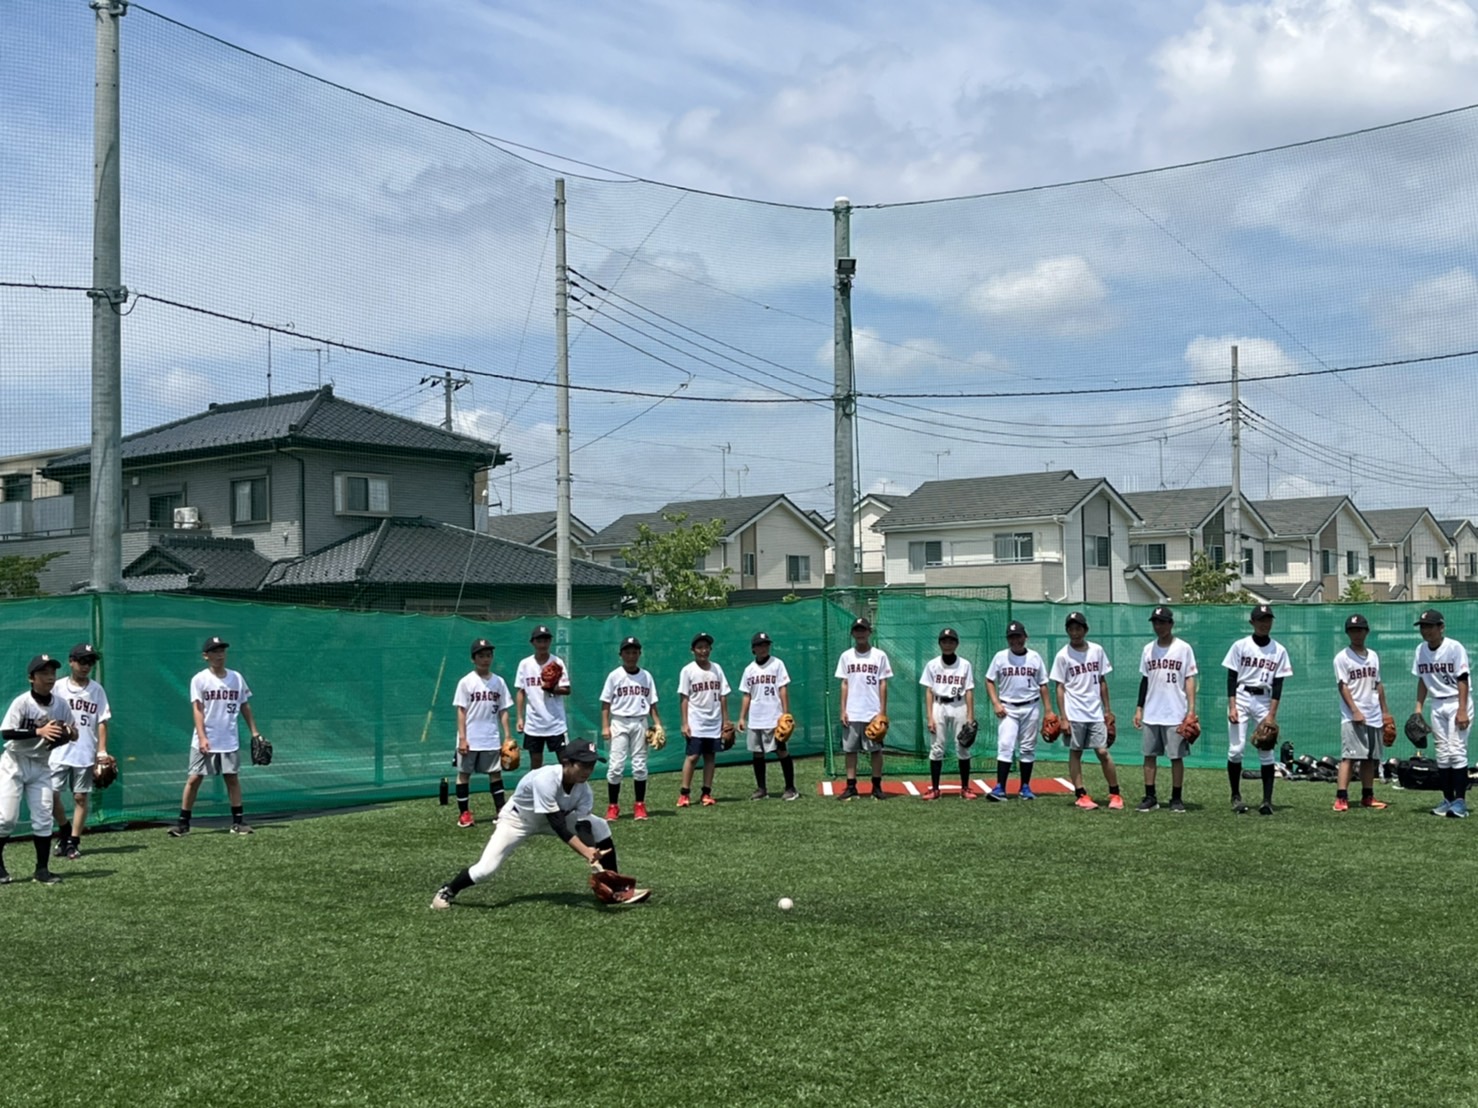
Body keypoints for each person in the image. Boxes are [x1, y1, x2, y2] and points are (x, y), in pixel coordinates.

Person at [431, 741, 646, 909]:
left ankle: (615, 887)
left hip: (553, 818)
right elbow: (559, 826)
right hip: (518, 821)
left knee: (600, 826)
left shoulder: (584, 790)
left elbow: (582, 826)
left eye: (591, 764)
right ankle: (448, 890)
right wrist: (586, 852)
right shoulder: (546, 779)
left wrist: (593, 850)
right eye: (583, 764)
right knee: (485, 870)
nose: (587, 770)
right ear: (567, 762)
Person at [169, 636, 264, 837]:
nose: (219, 655)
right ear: (206, 656)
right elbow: (197, 709)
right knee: (194, 778)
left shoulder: (236, 678)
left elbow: (245, 705)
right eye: (214, 651)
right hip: (205, 738)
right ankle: (183, 823)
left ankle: (238, 822)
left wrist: (254, 732)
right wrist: (202, 737)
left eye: (222, 651)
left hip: (229, 738)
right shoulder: (200, 679)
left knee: (232, 778)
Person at [0, 654, 76, 884]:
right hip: (14, 762)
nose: (50, 677)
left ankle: (42, 870)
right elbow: (6, 733)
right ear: (31, 678)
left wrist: (70, 733)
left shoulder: (60, 704)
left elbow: (74, 730)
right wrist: (38, 732)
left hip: (42, 765)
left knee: (43, 817)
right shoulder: (22, 702)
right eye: (43, 673)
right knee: (6, 819)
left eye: (52, 672)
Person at [1222, 604, 1292, 816]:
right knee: (1236, 750)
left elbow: (1278, 685)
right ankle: (1236, 796)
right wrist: (1232, 706)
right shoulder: (1240, 646)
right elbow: (1232, 677)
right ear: (1252, 622)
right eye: (1260, 619)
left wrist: (1271, 715)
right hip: (1241, 697)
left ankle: (1267, 801)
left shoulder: (1279, 650)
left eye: (1268, 619)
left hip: (1264, 699)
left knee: (1266, 751)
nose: (1264, 623)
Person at [1051, 612, 1122, 810]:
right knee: (1076, 752)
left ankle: (1115, 793)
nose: (1075, 632)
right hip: (1074, 713)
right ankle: (1081, 794)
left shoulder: (1097, 650)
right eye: (1071, 629)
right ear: (1067, 631)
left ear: (1085, 630)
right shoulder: (1063, 655)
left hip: (1095, 712)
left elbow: (1102, 681)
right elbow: (1060, 687)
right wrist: (1063, 718)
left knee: (1102, 751)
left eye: (1078, 628)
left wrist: (1108, 710)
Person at [49, 642, 112, 860]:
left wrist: (101, 751)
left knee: (80, 798)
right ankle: (64, 830)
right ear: (71, 662)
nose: (86, 666)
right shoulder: (57, 687)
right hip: (57, 752)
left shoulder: (96, 689)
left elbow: (103, 720)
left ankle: (73, 841)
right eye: (82, 661)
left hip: (84, 752)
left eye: (90, 662)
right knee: (51, 796)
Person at [1134, 606, 1198, 814]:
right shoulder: (1148, 649)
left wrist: (1191, 710)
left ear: (1171, 624)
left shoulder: (1183, 648)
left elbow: (1189, 679)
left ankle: (1176, 798)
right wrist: (1139, 708)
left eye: (1162, 622)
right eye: (1155, 622)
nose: (1158, 626)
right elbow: (1145, 681)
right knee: (1149, 755)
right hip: (1152, 711)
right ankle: (1150, 796)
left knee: (1175, 757)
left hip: (1175, 712)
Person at [1411, 609, 1472, 818]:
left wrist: (1463, 710)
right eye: (1423, 626)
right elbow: (1422, 679)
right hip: (1437, 703)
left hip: (1457, 701)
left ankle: (1460, 802)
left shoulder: (1454, 648)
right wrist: (1418, 708)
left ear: (1441, 627)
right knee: (1443, 754)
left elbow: (1462, 678)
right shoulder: (1420, 650)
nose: (1425, 630)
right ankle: (1447, 799)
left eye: (1430, 626)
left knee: (1456, 750)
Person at [984, 620, 1052, 801]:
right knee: (1005, 746)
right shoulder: (1000, 657)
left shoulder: (1035, 657)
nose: (1015, 641)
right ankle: (1000, 788)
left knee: (1028, 748)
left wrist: (1049, 710)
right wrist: (995, 703)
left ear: (1025, 637)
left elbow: (1043, 684)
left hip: (1031, 706)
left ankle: (1025, 787)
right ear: (1008, 639)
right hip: (1008, 708)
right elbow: (989, 680)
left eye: (1018, 636)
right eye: (1012, 637)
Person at [451, 638, 514, 829]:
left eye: (488, 655)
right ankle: (464, 813)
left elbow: (503, 709)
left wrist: (508, 736)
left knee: (495, 773)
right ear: (473, 659)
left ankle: (500, 811)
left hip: (491, 737)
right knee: (464, 775)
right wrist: (462, 738)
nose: (485, 659)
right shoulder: (466, 682)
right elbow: (461, 711)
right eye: (481, 656)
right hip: (470, 737)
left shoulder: (499, 682)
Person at [599, 636, 661, 822]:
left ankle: (640, 805)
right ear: (621, 655)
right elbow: (605, 703)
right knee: (616, 766)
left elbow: (652, 703)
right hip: (619, 722)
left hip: (640, 721)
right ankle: (613, 806)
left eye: (634, 652)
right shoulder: (614, 675)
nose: (631, 655)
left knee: (640, 765)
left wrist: (657, 724)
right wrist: (605, 725)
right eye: (627, 652)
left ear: (639, 654)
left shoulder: (646, 676)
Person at [1333, 613, 1390, 812]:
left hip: (1373, 714)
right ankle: (1341, 797)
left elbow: (1378, 684)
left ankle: (1368, 796)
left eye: (1360, 630)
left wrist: (1385, 712)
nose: (1357, 634)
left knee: (1369, 758)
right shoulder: (1342, 657)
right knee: (1349, 756)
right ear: (1348, 633)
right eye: (1352, 630)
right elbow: (1343, 686)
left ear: (1366, 632)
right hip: (1352, 715)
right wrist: (1355, 711)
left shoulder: (1373, 656)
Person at [835, 617, 893, 801]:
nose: (860, 633)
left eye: (863, 630)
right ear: (852, 633)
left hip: (872, 711)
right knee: (850, 750)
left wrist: (882, 711)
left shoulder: (879, 655)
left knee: (875, 750)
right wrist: (843, 709)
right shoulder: (846, 656)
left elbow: (883, 683)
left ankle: (876, 786)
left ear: (870, 632)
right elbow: (844, 683)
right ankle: (851, 786)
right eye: (857, 630)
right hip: (852, 711)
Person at [738, 632, 796, 800]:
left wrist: (785, 714)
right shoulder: (749, 669)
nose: (763, 648)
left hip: (774, 717)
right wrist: (742, 717)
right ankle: (761, 789)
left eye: (766, 645)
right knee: (757, 753)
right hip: (756, 717)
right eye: (759, 645)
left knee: (781, 751)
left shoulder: (777, 664)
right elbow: (746, 695)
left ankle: (791, 788)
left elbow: (783, 688)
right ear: (753, 649)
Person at [919, 628, 976, 800]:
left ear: (957, 644)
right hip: (939, 705)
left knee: (963, 747)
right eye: (944, 641)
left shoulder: (965, 664)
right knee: (937, 747)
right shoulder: (932, 664)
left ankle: (965, 788)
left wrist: (970, 716)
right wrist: (929, 716)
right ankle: (935, 788)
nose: (948, 644)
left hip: (959, 705)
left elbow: (969, 691)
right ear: (940, 644)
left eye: (951, 641)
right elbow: (929, 691)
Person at [677, 632, 731, 808]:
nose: (703, 650)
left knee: (710, 757)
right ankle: (684, 794)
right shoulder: (688, 670)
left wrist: (726, 721)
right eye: (700, 647)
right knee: (692, 756)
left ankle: (706, 793)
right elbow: (684, 698)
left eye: (706, 647)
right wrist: (685, 723)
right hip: (696, 721)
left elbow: (723, 696)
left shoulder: (717, 668)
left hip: (714, 721)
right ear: (693, 650)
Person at [514, 625, 570, 770]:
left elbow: (567, 689)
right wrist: (520, 717)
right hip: (534, 723)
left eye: (546, 640)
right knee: (536, 763)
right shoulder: (525, 664)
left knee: (565, 761)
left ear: (550, 642)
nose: (543, 644)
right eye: (539, 641)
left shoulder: (557, 662)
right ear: (533, 642)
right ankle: (536, 791)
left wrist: (553, 688)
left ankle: (567, 791)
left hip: (555, 722)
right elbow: (521, 691)